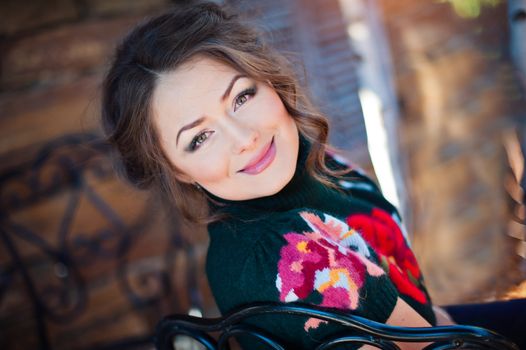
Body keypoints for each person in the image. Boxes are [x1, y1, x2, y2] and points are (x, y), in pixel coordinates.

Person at [100, 1, 523, 349]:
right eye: (200, 137)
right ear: (177, 170)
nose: (244, 138)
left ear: (270, 81)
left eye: (242, 96)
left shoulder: (317, 161)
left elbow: (429, 322)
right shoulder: (287, 254)